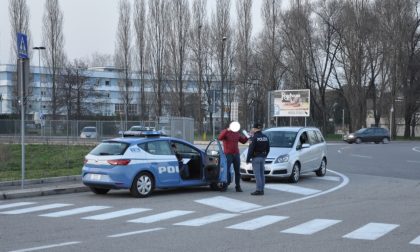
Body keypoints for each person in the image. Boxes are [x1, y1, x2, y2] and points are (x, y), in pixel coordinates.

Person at [218, 122, 248, 192]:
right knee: (226, 171)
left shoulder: (236, 133)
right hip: (228, 154)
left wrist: (247, 137)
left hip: (236, 154)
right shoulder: (226, 132)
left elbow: (243, 141)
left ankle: (238, 186)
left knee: (237, 171)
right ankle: (225, 185)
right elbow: (220, 138)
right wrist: (227, 130)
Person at [246, 122, 270, 196]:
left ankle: (258, 190)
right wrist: (265, 155)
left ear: (254, 129)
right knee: (262, 174)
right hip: (263, 157)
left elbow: (251, 149)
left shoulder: (254, 138)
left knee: (257, 175)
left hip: (256, 157)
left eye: (253, 128)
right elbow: (268, 148)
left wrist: (247, 159)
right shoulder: (265, 137)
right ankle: (262, 189)